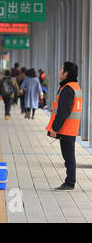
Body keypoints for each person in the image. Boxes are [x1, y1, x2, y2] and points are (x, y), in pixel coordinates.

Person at [46, 62, 82, 191]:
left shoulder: (67, 88)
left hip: (66, 128)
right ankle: (69, 181)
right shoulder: (74, 86)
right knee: (69, 156)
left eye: (61, 69)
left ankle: (70, 182)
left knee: (68, 157)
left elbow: (63, 110)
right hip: (71, 127)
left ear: (66, 73)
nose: (59, 71)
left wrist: (55, 128)